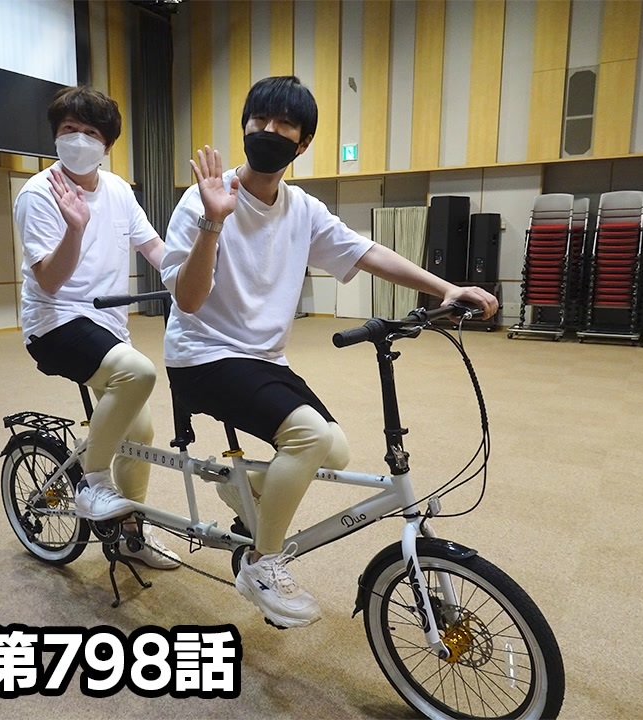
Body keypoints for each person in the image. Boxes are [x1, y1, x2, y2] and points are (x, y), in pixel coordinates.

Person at [160, 76, 497, 627]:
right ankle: (262, 563)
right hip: (202, 355)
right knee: (309, 438)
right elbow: (189, 300)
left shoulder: (302, 208)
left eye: (284, 124)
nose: (269, 130)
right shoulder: (203, 199)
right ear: (244, 125)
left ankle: (243, 488)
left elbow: (366, 252)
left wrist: (445, 288)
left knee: (333, 450)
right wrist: (213, 221)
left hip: (262, 358)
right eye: (259, 120)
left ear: (304, 142)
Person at [15, 85, 180, 571]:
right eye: (69, 130)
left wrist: (195, 277)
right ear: (55, 136)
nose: (79, 140)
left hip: (106, 325)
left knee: (140, 432)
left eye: (91, 132)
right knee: (138, 372)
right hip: (55, 323)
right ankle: (92, 483)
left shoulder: (119, 190)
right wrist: (76, 227)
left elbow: (155, 248)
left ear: (106, 145)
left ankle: (131, 535)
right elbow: (49, 280)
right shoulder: (38, 194)